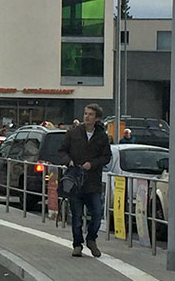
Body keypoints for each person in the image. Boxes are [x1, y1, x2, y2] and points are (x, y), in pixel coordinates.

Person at [58, 103, 111, 258]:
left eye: (90, 114)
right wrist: (69, 161)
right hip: (75, 181)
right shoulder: (73, 133)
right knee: (76, 215)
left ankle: (91, 239)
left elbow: (106, 157)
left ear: (97, 118)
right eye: (85, 113)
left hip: (92, 181)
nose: (87, 116)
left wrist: (92, 164)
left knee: (96, 213)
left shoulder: (102, 136)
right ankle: (77, 244)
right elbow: (62, 151)